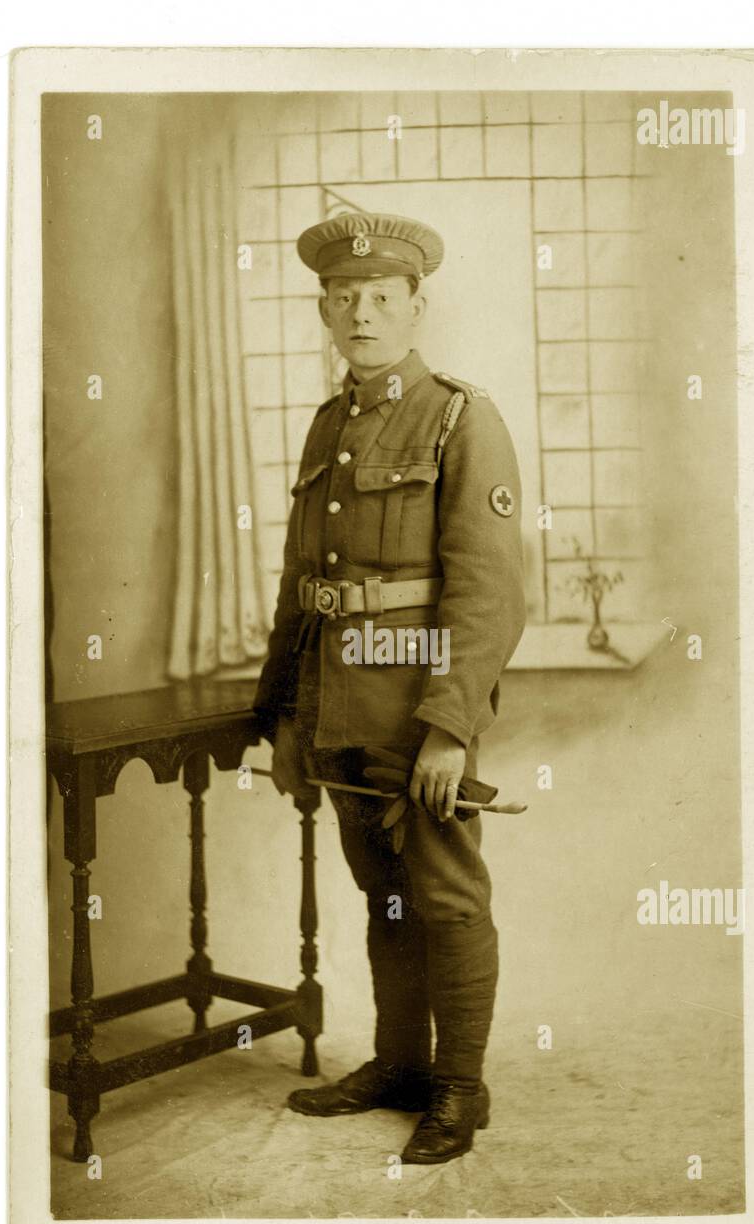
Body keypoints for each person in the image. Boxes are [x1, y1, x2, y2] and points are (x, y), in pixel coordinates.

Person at [252, 211, 526, 1163]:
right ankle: (401, 1062)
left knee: (446, 899)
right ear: (326, 310)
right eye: (344, 298)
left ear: (416, 305)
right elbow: (305, 588)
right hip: (340, 711)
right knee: (385, 898)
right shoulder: (331, 423)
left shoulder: (461, 417)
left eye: (380, 298)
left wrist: (451, 729)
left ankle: (461, 1087)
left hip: (418, 713)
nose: (361, 312)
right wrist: (287, 717)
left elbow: (488, 591)